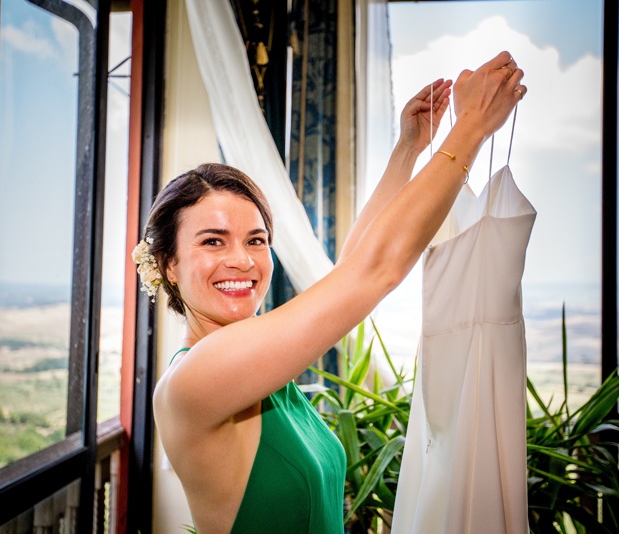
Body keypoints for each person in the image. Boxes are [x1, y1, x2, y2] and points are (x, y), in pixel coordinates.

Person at [140, 51, 526, 533]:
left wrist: (408, 149)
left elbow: (349, 270)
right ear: (168, 265)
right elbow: (372, 272)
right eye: (213, 241)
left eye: (256, 240)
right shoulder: (195, 380)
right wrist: (469, 131)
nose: (242, 259)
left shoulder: (256, 357)